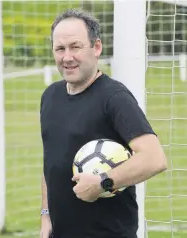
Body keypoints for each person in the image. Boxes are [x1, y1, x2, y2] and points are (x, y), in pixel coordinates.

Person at [40, 9, 167, 238]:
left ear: (96, 47)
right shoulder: (50, 96)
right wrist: (45, 214)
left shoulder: (114, 97)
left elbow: (154, 158)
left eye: (75, 47)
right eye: (60, 49)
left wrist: (102, 182)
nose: (67, 57)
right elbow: (50, 162)